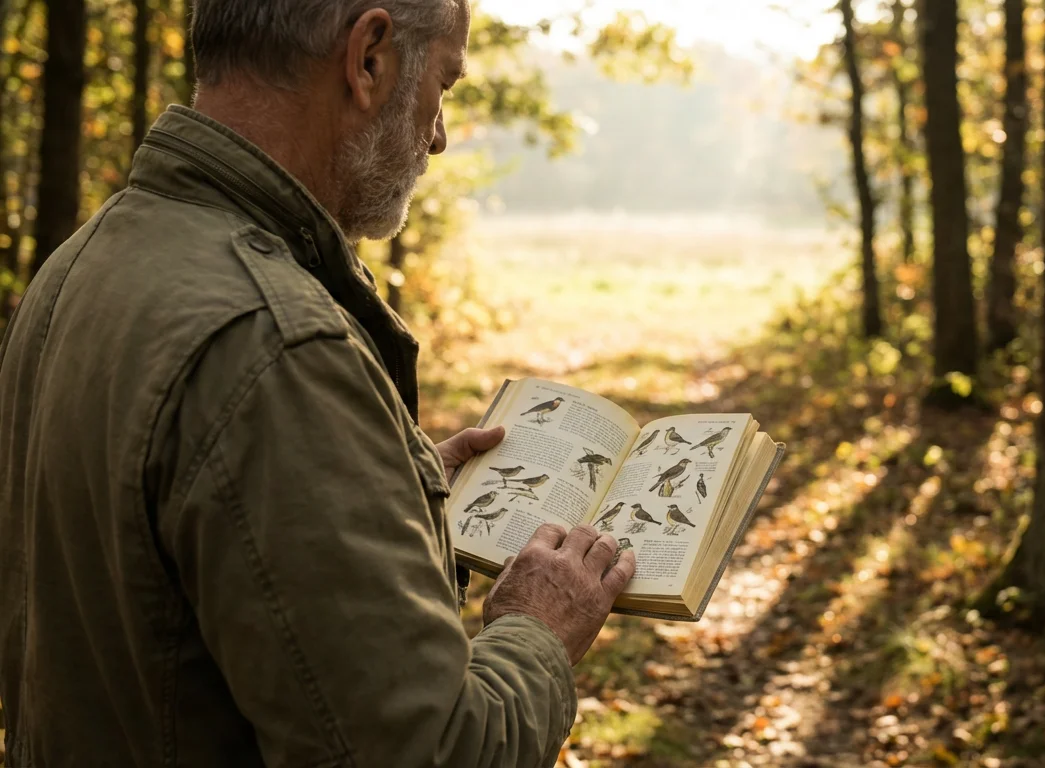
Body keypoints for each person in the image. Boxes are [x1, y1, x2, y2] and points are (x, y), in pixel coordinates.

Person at [0, 1, 635, 765]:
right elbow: (429, 752)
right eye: (445, 85)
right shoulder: (274, 343)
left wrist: (382, 496)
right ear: (368, 58)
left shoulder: (79, 264)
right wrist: (539, 624)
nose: (437, 134)